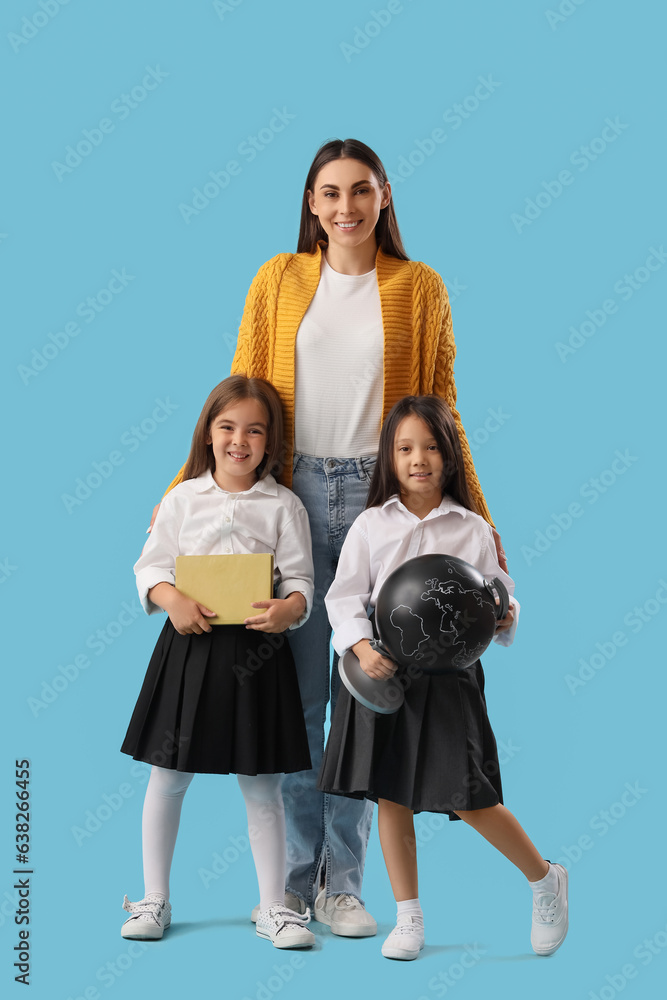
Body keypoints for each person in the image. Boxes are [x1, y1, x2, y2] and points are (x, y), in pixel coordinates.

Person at [155, 138, 506, 936]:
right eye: (328, 193)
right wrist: (181, 489)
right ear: (310, 205)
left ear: (384, 196)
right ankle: (285, 883)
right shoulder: (278, 279)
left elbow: (442, 412)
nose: (344, 207)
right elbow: (240, 386)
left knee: (364, 696)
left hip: (384, 505)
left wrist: (481, 519)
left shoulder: (419, 288)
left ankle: (340, 883)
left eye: (359, 190)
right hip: (288, 497)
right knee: (296, 696)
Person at [318, 395, 569, 961]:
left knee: (471, 796)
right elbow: (344, 598)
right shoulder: (370, 525)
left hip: (451, 678)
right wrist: (359, 644)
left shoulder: (473, 528)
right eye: (405, 448)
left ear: (450, 457)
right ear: (389, 457)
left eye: (431, 447)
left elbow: (499, 595)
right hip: (385, 678)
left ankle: (544, 878)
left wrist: (506, 614)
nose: (419, 459)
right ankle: (408, 917)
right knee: (392, 796)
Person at [120, 375, 317, 949]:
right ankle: (153, 899)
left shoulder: (285, 504)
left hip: (259, 654)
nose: (240, 441)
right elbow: (149, 568)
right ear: (208, 434)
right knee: (168, 777)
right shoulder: (182, 499)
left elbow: (301, 580)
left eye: (255, 431)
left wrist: (290, 610)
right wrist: (172, 598)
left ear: (270, 441)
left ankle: (274, 906)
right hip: (190, 647)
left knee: (262, 787)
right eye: (228, 427)